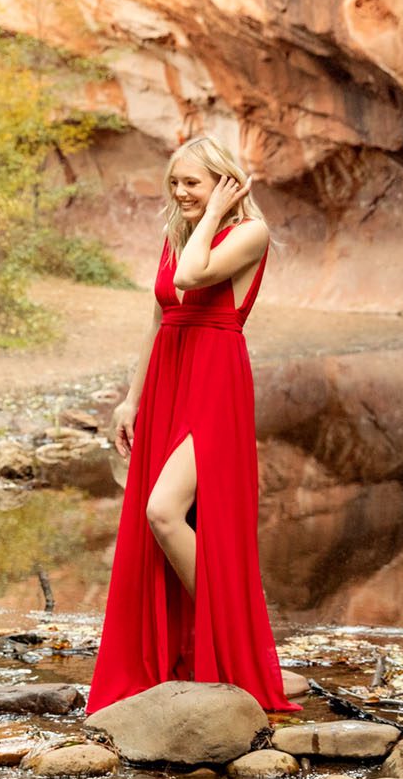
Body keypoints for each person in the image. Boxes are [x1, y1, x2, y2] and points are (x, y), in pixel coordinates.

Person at [86, 135, 297, 713]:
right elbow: (159, 318)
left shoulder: (249, 234)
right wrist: (132, 399)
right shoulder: (176, 236)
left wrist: (217, 215)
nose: (180, 193)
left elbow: (192, 278)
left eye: (193, 183)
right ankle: (194, 645)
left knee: (162, 511)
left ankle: (227, 633)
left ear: (225, 185)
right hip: (169, 380)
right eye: (175, 182)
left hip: (214, 384)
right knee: (157, 517)